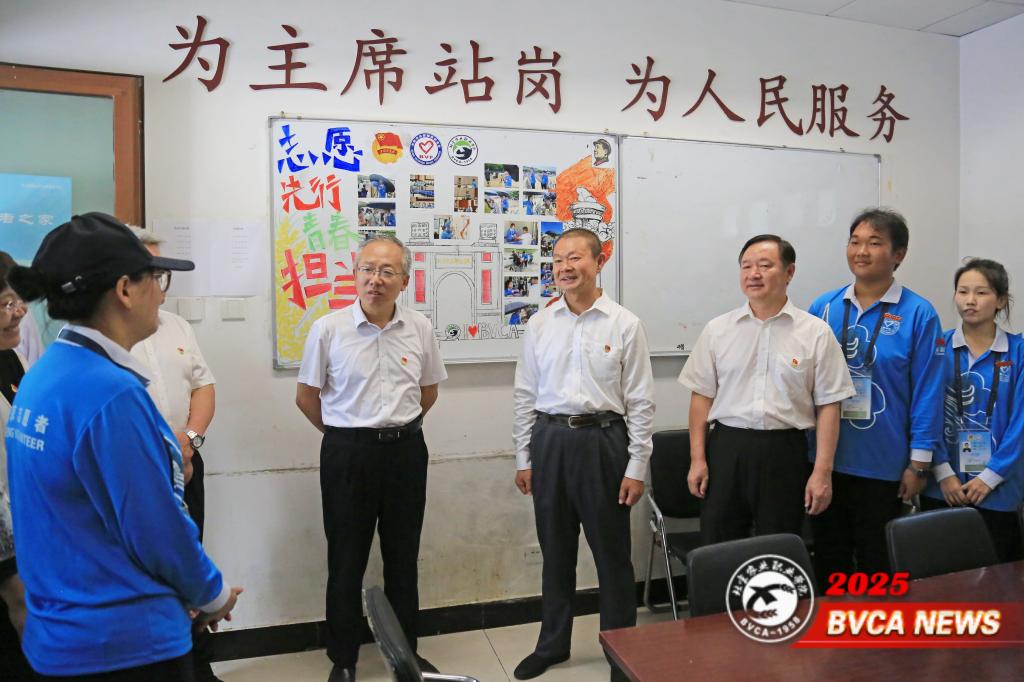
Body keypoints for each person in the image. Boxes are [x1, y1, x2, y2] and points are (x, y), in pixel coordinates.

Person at [5, 212, 241, 680]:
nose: (162, 292)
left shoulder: (45, 374)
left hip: (63, 630)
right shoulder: (110, 393)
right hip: (125, 643)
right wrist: (212, 595)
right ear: (125, 290)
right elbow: (156, 529)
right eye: (156, 278)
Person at [296, 235, 447, 682]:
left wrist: (394, 429)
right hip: (348, 455)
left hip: (406, 452)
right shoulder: (328, 329)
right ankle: (343, 659)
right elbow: (306, 397)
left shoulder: (420, 327)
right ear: (355, 274)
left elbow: (428, 390)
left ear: (404, 280)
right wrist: (347, 435)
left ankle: (408, 656)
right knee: (346, 560)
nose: (375, 279)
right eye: (367, 269)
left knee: (404, 558)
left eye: (386, 271)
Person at [512, 227, 654, 681]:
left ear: (598, 261)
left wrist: (636, 466)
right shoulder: (540, 324)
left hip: (603, 442)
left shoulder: (624, 324)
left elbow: (641, 402)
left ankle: (621, 655)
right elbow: (525, 394)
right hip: (550, 441)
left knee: (612, 557)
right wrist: (523, 457)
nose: (565, 267)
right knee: (556, 552)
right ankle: (552, 645)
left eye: (575, 258)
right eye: (558, 260)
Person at [679, 235, 854, 544]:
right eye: (746, 266)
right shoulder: (718, 330)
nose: (753, 274)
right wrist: (697, 459)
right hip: (727, 448)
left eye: (764, 265)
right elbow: (701, 398)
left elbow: (829, 405)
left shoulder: (815, 333)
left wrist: (822, 471)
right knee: (720, 544)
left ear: (789, 272)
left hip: (784, 451)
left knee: (778, 546)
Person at [807, 208, 943, 584]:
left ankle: (874, 624)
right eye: (855, 242)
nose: (861, 251)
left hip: (884, 464)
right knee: (829, 560)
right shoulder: (824, 307)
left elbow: (928, 392)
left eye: (874, 243)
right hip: (825, 462)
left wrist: (918, 465)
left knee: (876, 563)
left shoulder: (919, 313)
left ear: (898, 254)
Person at [127, 228, 220, 681]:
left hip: (186, 462)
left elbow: (204, 385)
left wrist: (190, 440)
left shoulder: (177, 326)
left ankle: (196, 664)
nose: (162, 286)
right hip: (139, 474)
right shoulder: (97, 344)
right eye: (155, 274)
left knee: (190, 556)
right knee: (151, 572)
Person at [921, 259, 1024, 562]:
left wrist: (991, 477)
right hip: (943, 486)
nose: (970, 300)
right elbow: (924, 412)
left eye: (981, 292)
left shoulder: (1018, 352)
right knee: (941, 574)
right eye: (963, 291)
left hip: (1000, 488)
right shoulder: (936, 347)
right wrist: (943, 472)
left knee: (998, 576)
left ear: (1001, 300)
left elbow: (1020, 423)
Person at [0, 268, 32, 680]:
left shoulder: (13, 358)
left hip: (22, 521)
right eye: (6, 304)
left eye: (18, 302)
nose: (19, 312)